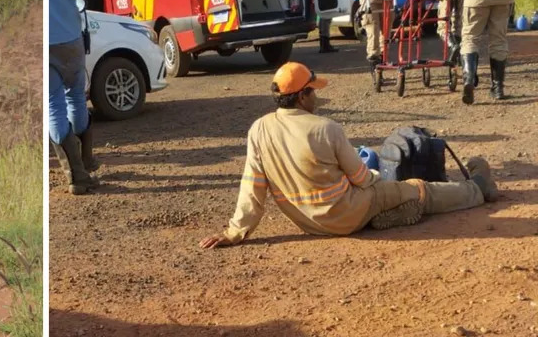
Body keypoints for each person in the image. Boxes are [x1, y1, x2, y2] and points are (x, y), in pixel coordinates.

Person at [198, 62, 497, 249]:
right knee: (418, 189)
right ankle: (477, 189)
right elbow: (362, 179)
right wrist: (380, 178)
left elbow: (252, 189)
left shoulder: (258, 129)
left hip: (308, 223)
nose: (317, 96)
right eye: (313, 91)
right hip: (346, 214)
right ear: (302, 96)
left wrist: (235, 232)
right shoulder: (326, 129)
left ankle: (378, 214)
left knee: (379, 189)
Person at [49, 0, 99, 195]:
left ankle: (75, 175)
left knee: (53, 103)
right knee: (75, 96)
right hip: (68, 32)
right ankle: (86, 163)